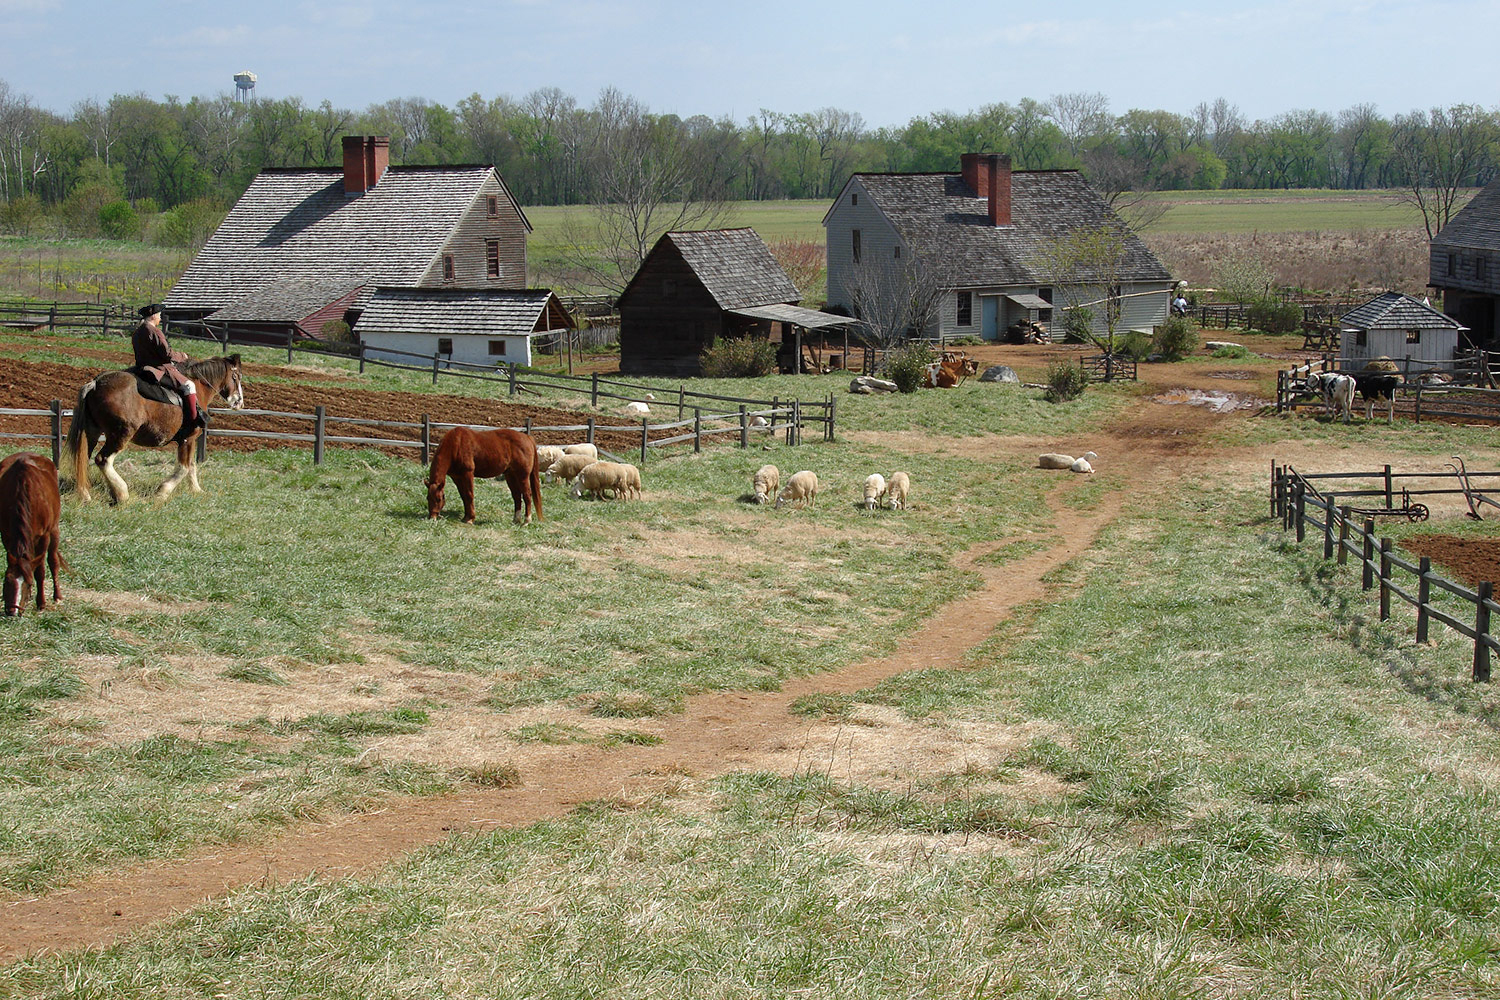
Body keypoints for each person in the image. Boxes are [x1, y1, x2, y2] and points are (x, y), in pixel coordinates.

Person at [131, 303, 200, 428]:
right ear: (153, 317)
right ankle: (193, 422)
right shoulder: (155, 331)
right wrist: (181, 356)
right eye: (159, 316)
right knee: (190, 386)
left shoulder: (137, 332)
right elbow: (167, 354)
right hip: (159, 369)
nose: (160, 319)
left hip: (140, 368)